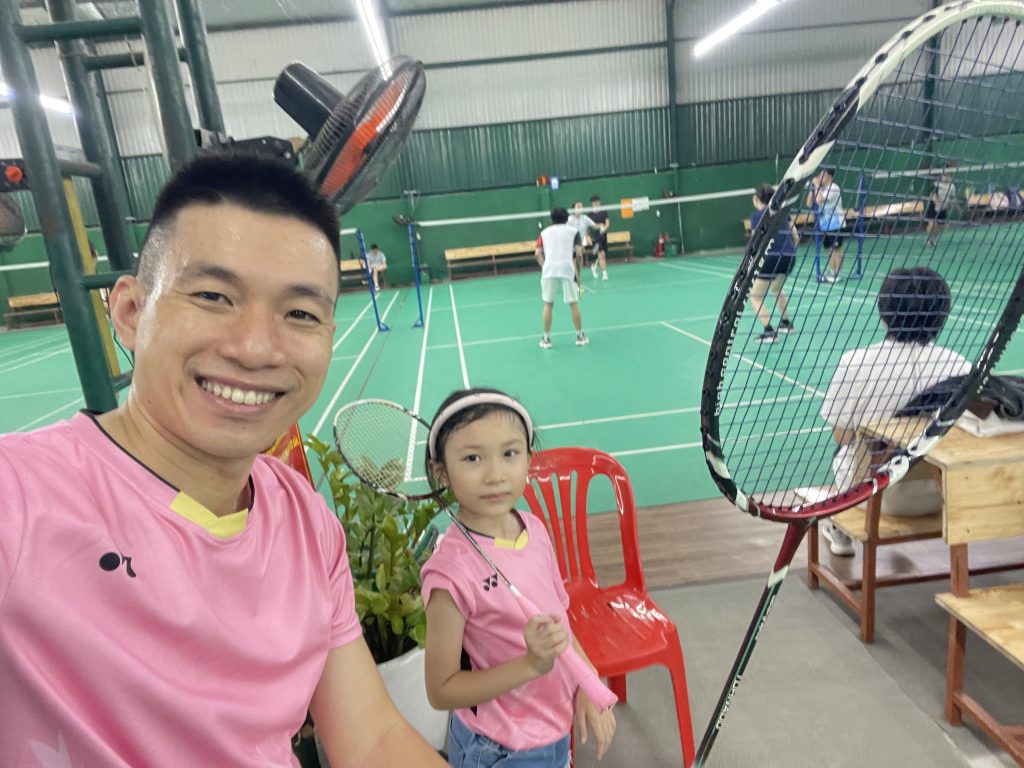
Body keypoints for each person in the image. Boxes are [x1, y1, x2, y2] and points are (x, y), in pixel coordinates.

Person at [0, 152, 446, 767]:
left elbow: (371, 740)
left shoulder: (305, 521)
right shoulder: (20, 499)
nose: (256, 348)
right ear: (130, 313)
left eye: (300, 313)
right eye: (214, 295)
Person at [420, 388, 616, 767]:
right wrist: (530, 665)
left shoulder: (533, 528)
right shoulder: (450, 575)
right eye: (473, 458)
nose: (495, 475)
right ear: (441, 471)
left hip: (553, 729)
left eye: (509, 453)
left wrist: (585, 680)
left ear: (528, 456)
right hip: (501, 749)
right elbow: (441, 690)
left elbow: (559, 621)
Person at [819, 267, 971, 555]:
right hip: (943, 492)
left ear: (884, 313)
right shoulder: (959, 365)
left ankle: (840, 526)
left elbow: (842, 436)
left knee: (845, 449)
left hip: (873, 494)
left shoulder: (855, 363)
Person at [749, 183, 797, 343]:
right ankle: (786, 324)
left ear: (756, 199)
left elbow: (755, 244)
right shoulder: (783, 213)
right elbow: (795, 236)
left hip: (770, 258)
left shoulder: (757, 217)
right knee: (777, 290)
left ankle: (769, 332)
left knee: (755, 296)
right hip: (789, 257)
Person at [535, 207, 588, 349]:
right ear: (566, 218)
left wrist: (545, 266)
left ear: (552, 219)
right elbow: (579, 255)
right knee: (573, 303)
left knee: (548, 304)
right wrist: (578, 275)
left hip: (549, 269)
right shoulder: (574, 232)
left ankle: (546, 339)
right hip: (567, 269)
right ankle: (580, 337)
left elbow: (537, 253)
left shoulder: (543, 233)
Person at [806, 166, 846, 283]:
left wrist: (817, 186)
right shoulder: (821, 189)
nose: (819, 177)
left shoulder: (834, 188)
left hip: (836, 224)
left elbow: (819, 200)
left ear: (829, 176)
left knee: (836, 249)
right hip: (825, 224)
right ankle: (832, 272)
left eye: (822, 175)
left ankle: (838, 274)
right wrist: (812, 189)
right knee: (829, 249)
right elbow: (809, 204)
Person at [925, 165, 957, 246]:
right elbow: (933, 195)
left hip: (943, 209)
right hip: (933, 208)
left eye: (948, 175)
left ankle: (933, 238)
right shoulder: (936, 185)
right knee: (932, 224)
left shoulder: (952, 187)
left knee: (941, 227)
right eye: (945, 175)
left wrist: (956, 206)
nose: (946, 177)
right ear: (941, 176)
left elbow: (953, 197)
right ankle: (930, 238)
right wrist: (937, 203)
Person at [587, 195, 611, 281]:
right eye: (594, 202)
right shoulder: (589, 214)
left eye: (598, 201)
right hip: (594, 237)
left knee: (602, 254)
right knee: (601, 254)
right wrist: (587, 237)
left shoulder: (604, 212)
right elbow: (588, 226)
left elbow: (607, 223)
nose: (596, 203)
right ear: (592, 203)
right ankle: (605, 274)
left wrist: (604, 229)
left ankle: (595, 266)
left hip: (603, 236)